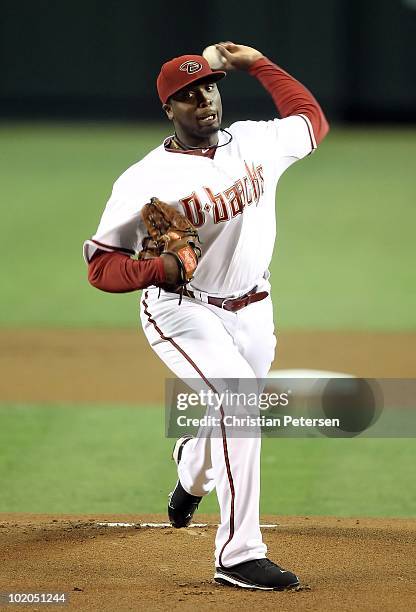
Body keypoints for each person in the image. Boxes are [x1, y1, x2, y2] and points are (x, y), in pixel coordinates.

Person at [83, 42, 329, 591]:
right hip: (183, 310)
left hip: (254, 308)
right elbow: (101, 267)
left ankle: (192, 469)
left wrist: (257, 64)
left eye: (208, 89)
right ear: (168, 110)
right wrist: (158, 269)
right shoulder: (144, 179)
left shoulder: (256, 141)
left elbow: (311, 122)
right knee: (240, 400)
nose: (203, 102)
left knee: (232, 412)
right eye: (187, 97)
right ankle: (239, 554)